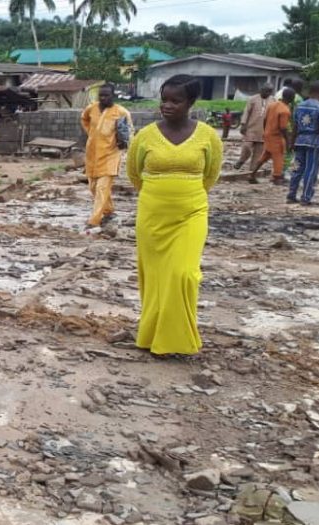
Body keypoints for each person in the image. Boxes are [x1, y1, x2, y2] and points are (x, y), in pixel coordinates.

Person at [126, 75, 223, 356]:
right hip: (152, 216)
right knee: (155, 278)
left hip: (191, 213)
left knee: (184, 274)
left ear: (190, 102)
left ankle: (177, 339)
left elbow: (211, 175)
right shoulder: (145, 136)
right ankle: (153, 337)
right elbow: (134, 173)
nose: (167, 105)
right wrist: (159, 194)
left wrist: (184, 194)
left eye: (175, 101)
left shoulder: (207, 136)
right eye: (164, 100)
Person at [81, 83, 134, 227]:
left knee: (102, 188)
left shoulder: (121, 112)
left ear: (113, 96)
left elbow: (129, 131)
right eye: (101, 95)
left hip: (110, 154)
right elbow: (84, 119)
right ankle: (109, 211)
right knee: (93, 187)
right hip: (92, 153)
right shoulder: (91, 108)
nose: (103, 98)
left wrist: (124, 146)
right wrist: (91, 133)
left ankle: (94, 220)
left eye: (106, 95)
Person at [287, 80, 319, 206]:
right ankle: (306, 198)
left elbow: (295, 126)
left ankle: (291, 195)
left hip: (299, 141)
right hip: (314, 142)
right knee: (311, 170)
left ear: (309, 91)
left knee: (297, 168)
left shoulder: (299, 106)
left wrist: (291, 142)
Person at [247, 88, 293, 185]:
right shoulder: (285, 110)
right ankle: (277, 177)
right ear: (291, 98)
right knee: (279, 156)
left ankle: (252, 174)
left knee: (265, 155)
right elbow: (283, 128)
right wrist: (288, 141)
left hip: (268, 134)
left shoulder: (272, 105)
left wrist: (266, 131)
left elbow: (265, 120)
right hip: (276, 137)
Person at [234, 84, 273, 170]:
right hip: (251, 128)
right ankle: (241, 160)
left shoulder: (273, 101)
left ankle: (252, 171)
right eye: (265, 91)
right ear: (261, 90)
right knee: (246, 147)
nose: (267, 93)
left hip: (264, 131)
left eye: (269, 91)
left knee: (258, 153)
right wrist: (243, 124)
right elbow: (246, 112)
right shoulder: (252, 99)